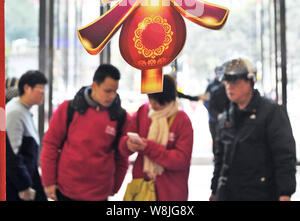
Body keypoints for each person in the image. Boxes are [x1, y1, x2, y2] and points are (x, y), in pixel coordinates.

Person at [210, 58, 297, 201]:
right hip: (228, 192)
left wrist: (285, 193)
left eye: (235, 82)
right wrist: (214, 190)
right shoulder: (226, 117)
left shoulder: (271, 112)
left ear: (251, 82)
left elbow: (284, 156)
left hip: (261, 192)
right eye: (227, 83)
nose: (229, 88)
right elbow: (220, 159)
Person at [40, 63, 129, 201]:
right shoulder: (68, 108)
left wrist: (115, 186)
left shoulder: (120, 116)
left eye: (115, 91)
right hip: (67, 189)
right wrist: (49, 181)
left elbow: (122, 156)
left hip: (100, 192)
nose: (112, 96)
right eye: (107, 90)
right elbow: (50, 145)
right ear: (94, 86)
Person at [119, 74, 193, 201]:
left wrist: (149, 147)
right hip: (143, 187)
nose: (153, 104)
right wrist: (128, 144)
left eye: (158, 101)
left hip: (171, 191)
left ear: (169, 98)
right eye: (150, 98)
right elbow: (123, 142)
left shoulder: (182, 120)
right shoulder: (143, 111)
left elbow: (181, 160)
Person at [6, 70, 48, 201]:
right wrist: (23, 186)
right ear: (27, 88)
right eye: (40, 89)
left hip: (26, 179)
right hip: (15, 188)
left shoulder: (23, 109)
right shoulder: (15, 112)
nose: (43, 93)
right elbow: (11, 155)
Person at [203, 66, 229, 154]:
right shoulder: (211, 86)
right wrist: (216, 114)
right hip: (213, 119)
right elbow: (206, 101)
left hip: (227, 119)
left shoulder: (227, 84)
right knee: (216, 141)